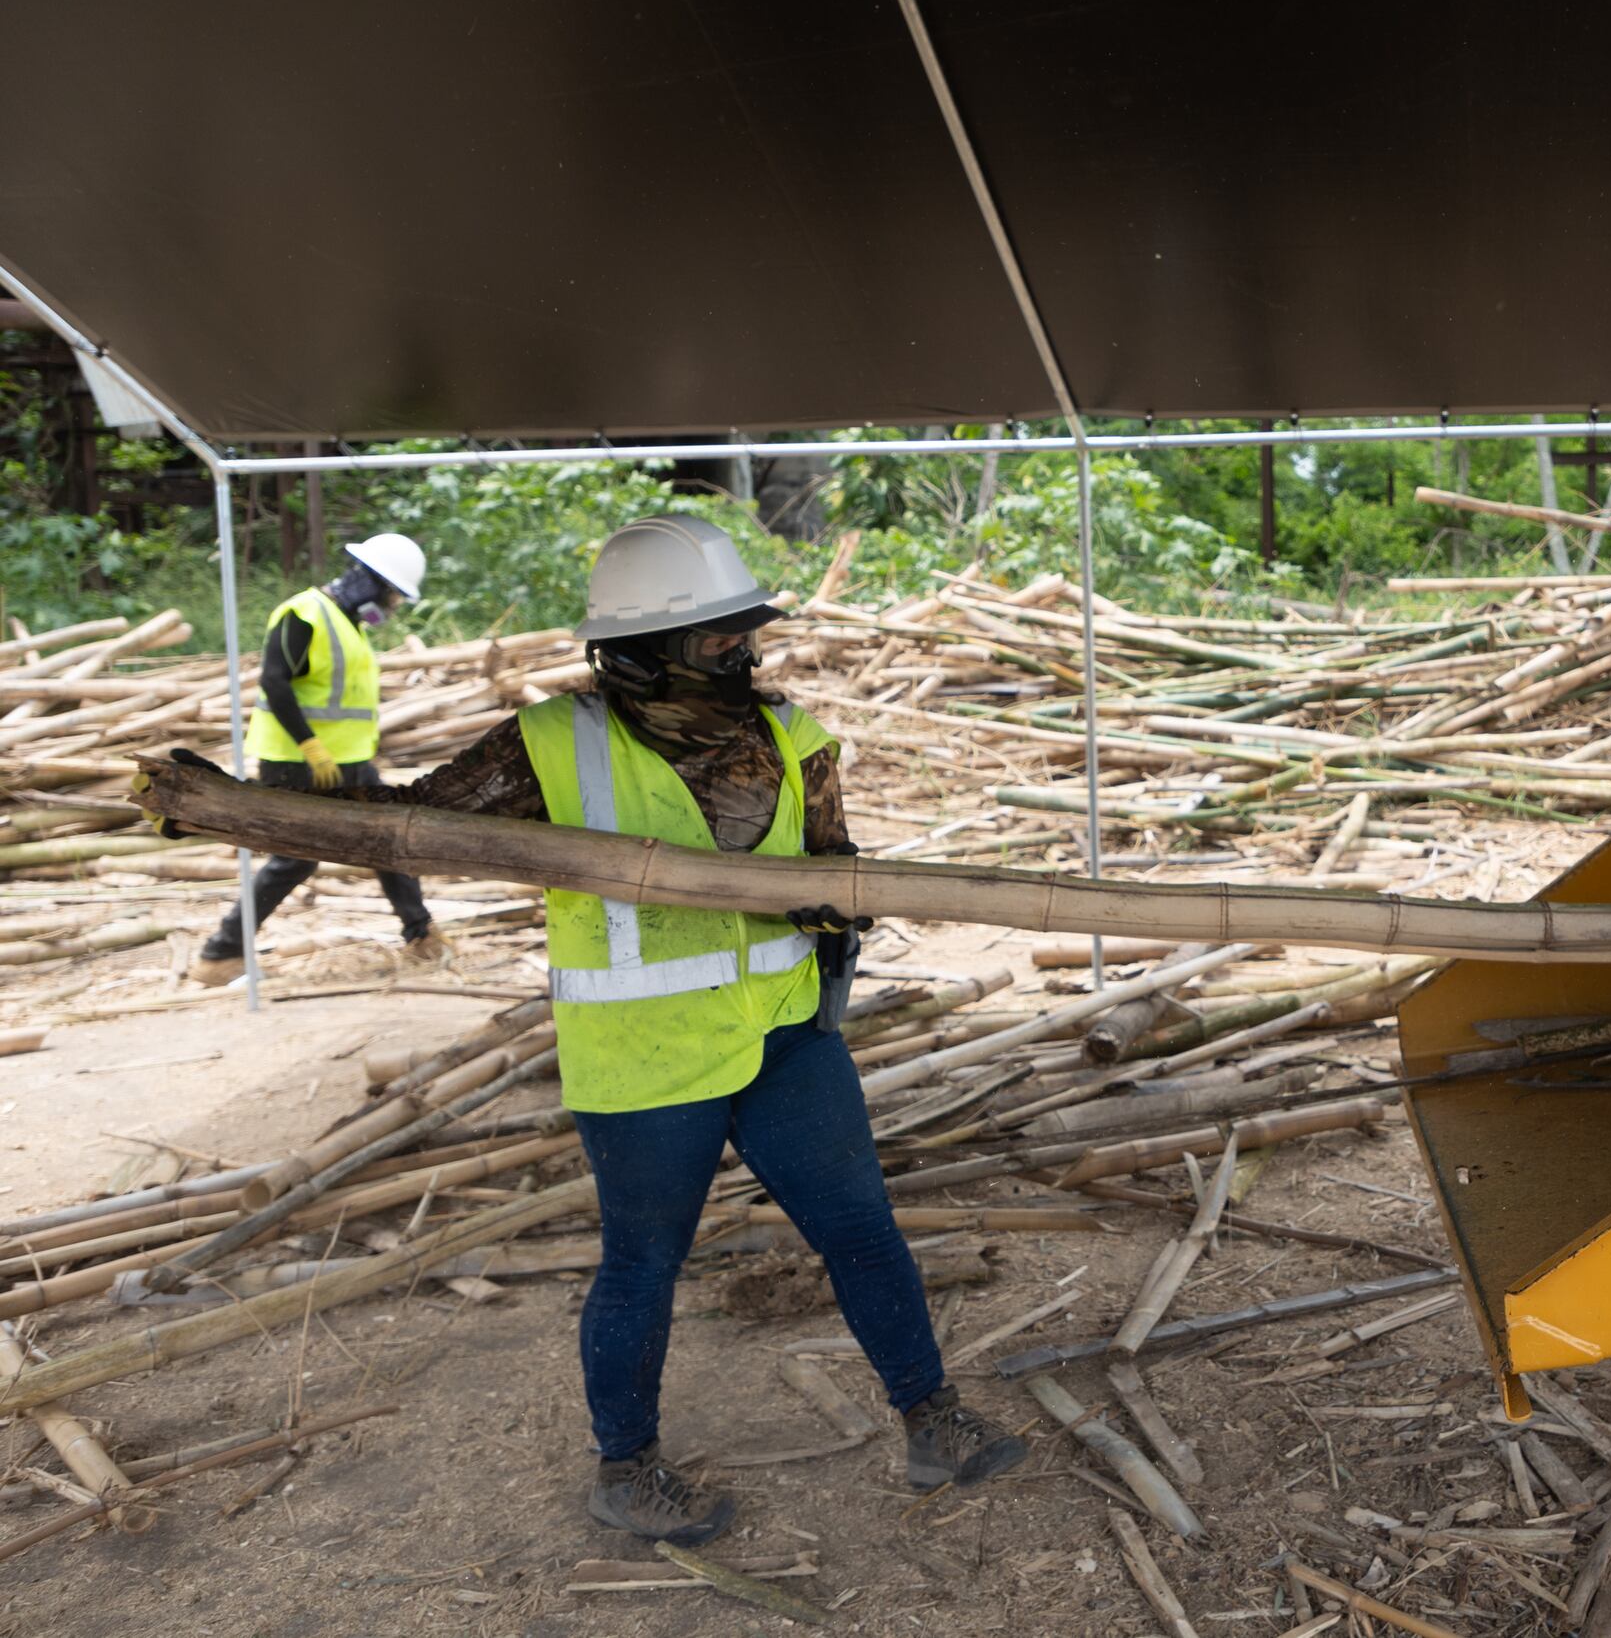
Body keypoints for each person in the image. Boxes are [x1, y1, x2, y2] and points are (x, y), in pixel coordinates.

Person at [355, 515, 1021, 1544]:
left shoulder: (787, 730)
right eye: (714, 633)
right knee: (643, 1263)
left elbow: (836, 859)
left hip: (785, 1033)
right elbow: (411, 826)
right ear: (638, 646)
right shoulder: (553, 742)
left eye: (741, 627)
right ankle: (626, 1470)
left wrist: (836, 898)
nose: (740, 647)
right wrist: (257, 804)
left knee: (860, 1230)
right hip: (646, 1056)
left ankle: (932, 1418)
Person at [191, 533, 444, 983]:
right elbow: (274, 681)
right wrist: (310, 745)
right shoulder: (303, 614)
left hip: (348, 760)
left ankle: (421, 936)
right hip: (295, 759)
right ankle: (220, 955)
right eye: (393, 596)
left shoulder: (350, 625)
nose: (393, 607)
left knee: (389, 837)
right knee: (296, 859)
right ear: (369, 583)